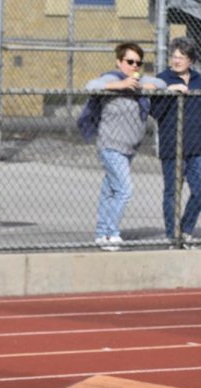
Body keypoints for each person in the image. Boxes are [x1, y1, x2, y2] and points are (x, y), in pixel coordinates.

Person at [81, 43, 165, 251]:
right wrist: (120, 85)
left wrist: (143, 86)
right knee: (125, 190)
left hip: (129, 148)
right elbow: (90, 86)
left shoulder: (140, 80)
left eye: (138, 63)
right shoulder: (112, 78)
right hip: (110, 146)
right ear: (119, 62)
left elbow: (161, 83)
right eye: (129, 62)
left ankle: (102, 233)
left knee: (110, 191)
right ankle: (111, 233)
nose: (134, 66)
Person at [150, 37, 201, 247]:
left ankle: (186, 230)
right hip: (172, 147)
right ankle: (173, 235)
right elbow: (155, 111)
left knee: (199, 190)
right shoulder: (163, 79)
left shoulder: (199, 79)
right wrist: (168, 92)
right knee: (172, 192)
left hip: (197, 146)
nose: (177, 60)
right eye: (174, 56)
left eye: (182, 57)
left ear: (191, 60)